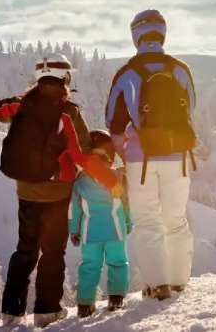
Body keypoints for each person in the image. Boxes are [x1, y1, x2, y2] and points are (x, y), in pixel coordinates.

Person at [0, 54, 119, 328]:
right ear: (65, 78)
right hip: (56, 193)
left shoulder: (21, 104)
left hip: (26, 191)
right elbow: (82, 156)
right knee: (53, 251)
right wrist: (112, 181)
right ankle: (47, 311)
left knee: (25, 250)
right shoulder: (68, 112)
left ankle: (11, 312)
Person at [106, 9, 197, 301]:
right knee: (176, 219)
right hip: (179, 157)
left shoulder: (127, 73)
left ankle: (158, 285)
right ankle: (179, 281)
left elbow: (113, 121)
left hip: (141, 160)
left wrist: (126, 152)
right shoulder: (180, 69)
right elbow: (190, 110)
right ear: (162, 33)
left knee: (147, 221)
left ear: (135, 35)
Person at [69, 130, 131, 317]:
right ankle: (116, 298)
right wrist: (128, 222)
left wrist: (74, 230)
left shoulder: (80, 181)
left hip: (90, 234)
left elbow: (75, 210)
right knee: (118, 263)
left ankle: (85, 305)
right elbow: (126, 203)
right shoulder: (117, 177)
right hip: (115, 230)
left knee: (89, 266)